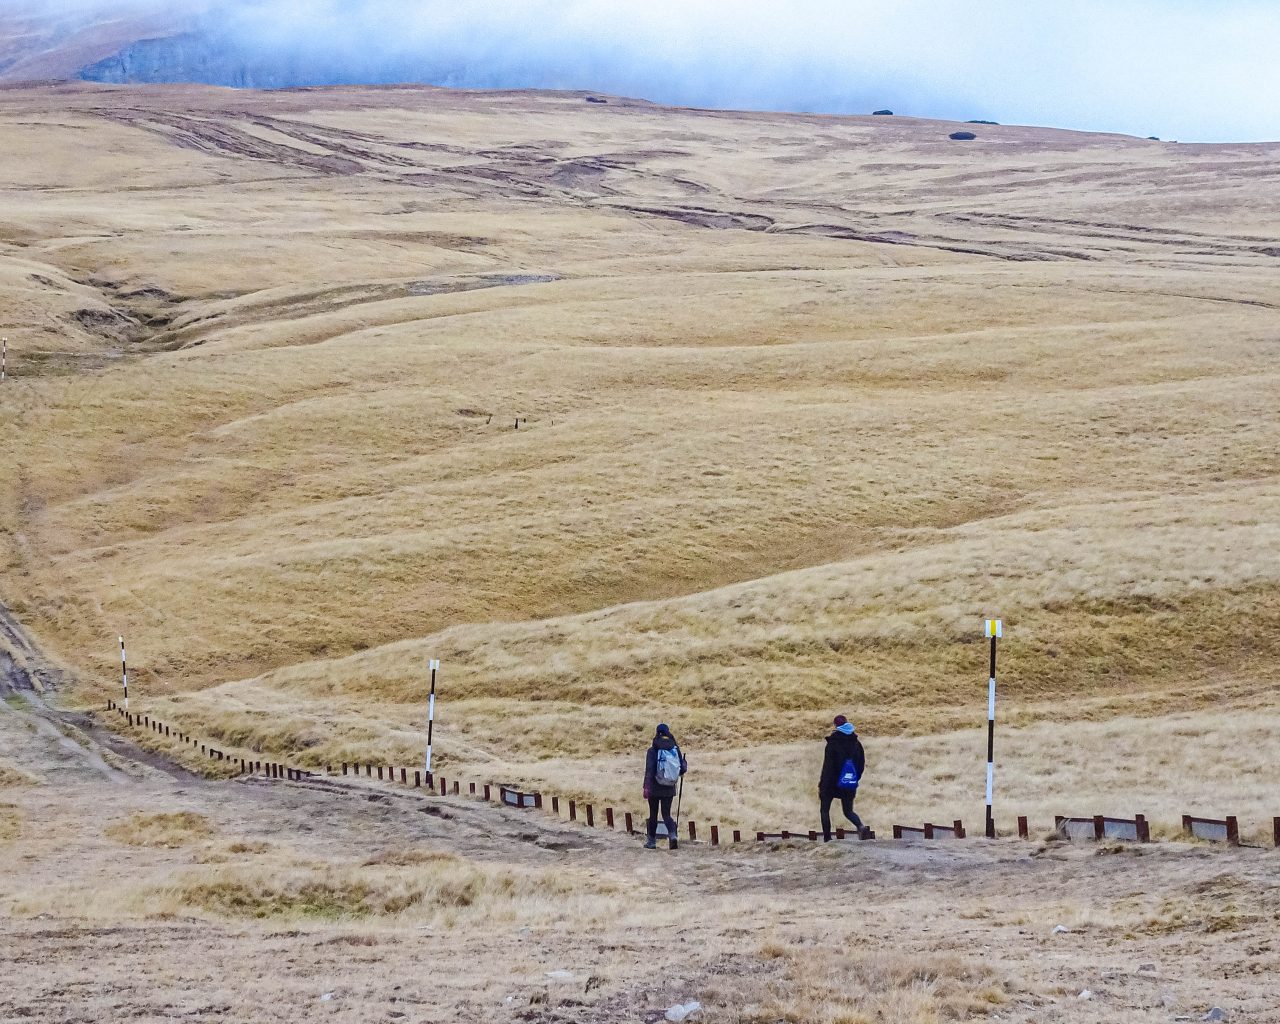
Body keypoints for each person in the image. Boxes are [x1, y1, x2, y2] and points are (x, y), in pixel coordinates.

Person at [819, 715, 868, 841]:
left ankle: (827, 839)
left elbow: (828, 767)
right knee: (848, 811)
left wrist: (823, 784)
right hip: (848, 782)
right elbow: (861, 764)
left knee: (824, 810)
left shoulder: (832, 743)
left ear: (836, 726)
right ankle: (860, 826)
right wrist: (854, 779)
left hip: (830, 784)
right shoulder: (856, 743)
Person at [643, 723, 687, 850]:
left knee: (653, 814)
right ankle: (672, 835)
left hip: (655, 788)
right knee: (666, 814)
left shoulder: (653, 750)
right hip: (669, 787)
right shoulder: (675, 749)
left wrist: (646, 787)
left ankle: (651, 842)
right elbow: (682, 769)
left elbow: (650, 770)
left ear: (657, 733)